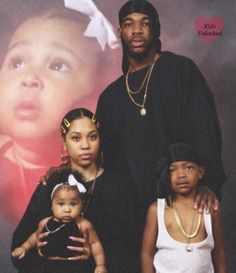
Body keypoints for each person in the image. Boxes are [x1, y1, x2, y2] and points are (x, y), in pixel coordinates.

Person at [96, 0, 226, 230]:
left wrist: (209, 184)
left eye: (144, 23)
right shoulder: (110, 97)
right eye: (129, 24)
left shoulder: (181, 71)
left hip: (184, 203)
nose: (136, 30)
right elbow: (103, 160)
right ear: (120, 32)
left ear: (155, 29)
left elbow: (205, 130)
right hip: (130, 216)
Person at [0, 0, 118, 222]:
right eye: (17, 62)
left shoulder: (100, 180)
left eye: (58, 65)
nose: (29, 78)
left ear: (96, 90)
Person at [12, 108, 137, 273]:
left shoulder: (120, 186)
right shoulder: (51, 184)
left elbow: (131, 248)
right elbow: (18, 248)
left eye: (92, 137)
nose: (85, 145)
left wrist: (94, 257)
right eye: (76, 138)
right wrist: (43, 252)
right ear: (64, 143)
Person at [141, 143, 227, 273]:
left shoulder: (210, 209)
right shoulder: (157, 210)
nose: (181, 174)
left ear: (200, 172)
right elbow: (147, 255)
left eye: (188, 168)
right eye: (172, 170)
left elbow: (219, 253)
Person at [12, 182, 107, 273]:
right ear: (52, 206)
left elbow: (95, 244)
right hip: (48, 265)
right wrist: (24, 248)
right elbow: (35, 237)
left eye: (73, 204)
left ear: (81, 205)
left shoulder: (84, 224)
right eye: (61, 204)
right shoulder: (45, 223)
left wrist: (100, 265)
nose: (67, 209)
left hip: (74, 266)